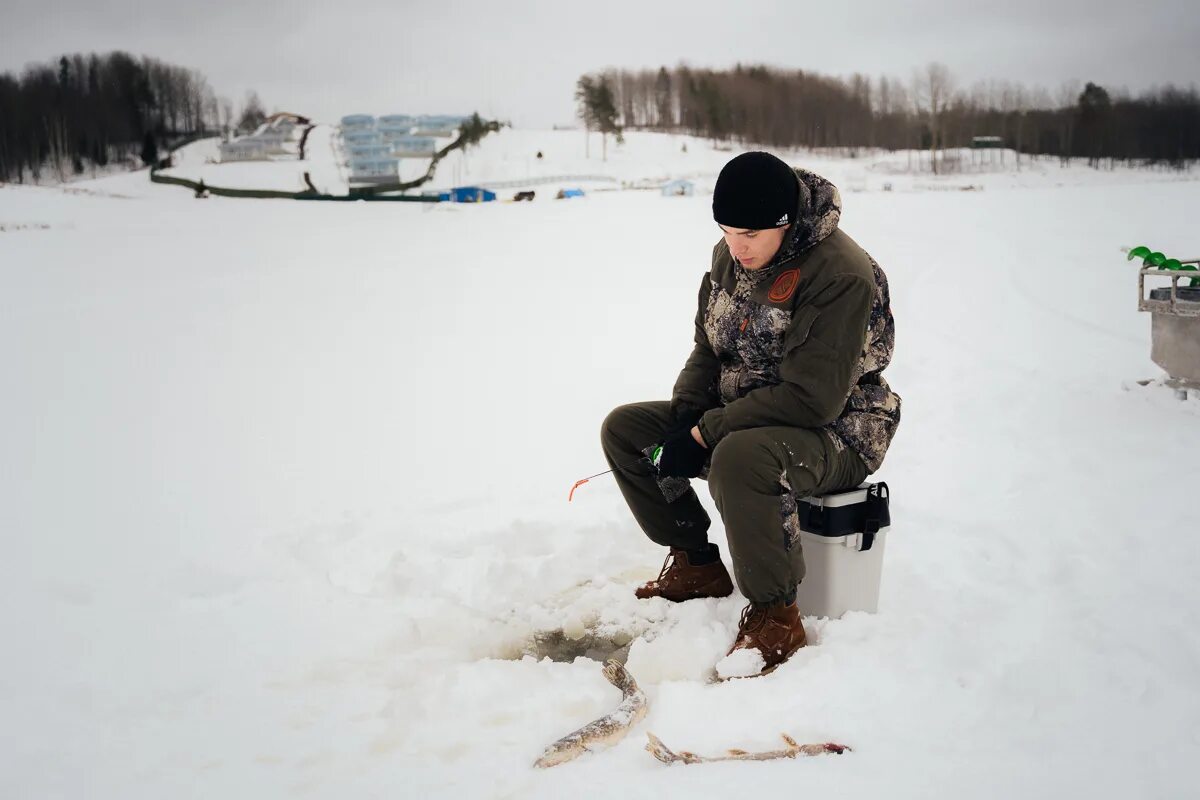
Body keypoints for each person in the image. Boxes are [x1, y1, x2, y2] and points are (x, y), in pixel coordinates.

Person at [600, 152, 900, 677]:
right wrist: (686, 414)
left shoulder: (840, 274)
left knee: (740, 457)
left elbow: (812, 399)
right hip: (749, 412)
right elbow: (708, 347)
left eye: (749, 235)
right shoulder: (731, 257)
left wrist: (705, 432)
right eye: (725, 231)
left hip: (839, 429)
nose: (736, 247)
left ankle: (776, 615)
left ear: (784, 223)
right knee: (628, 432)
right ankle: (697, 564)